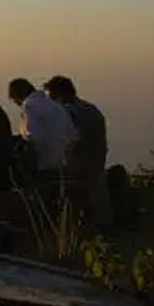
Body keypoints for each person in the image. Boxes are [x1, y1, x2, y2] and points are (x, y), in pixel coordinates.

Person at [43, 75, 111, 225]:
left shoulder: (67, 112)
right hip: (96, 163)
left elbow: (68, 140)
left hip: (77, 167)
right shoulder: (90, 108)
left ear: (58, 94)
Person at [7, 78, 76, 181]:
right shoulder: (56, 106)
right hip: (62, 165)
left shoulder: (29, 106)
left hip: (44, 167)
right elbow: (72, 135)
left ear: (17, 95)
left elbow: (32, 137)